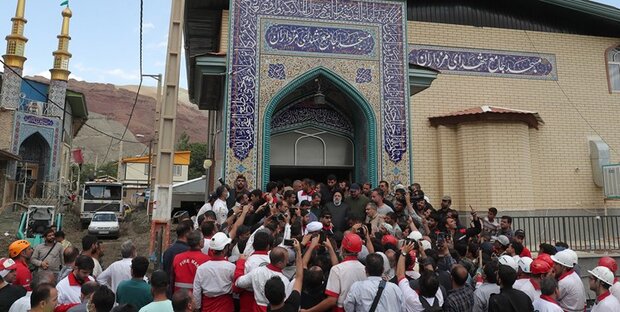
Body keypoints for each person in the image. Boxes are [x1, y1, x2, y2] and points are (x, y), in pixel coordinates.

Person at [304, 233, 367, 312]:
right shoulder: (365, 269)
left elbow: (331, 301)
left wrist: (309, 311)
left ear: (343, 249)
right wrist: (330, 248)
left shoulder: (337, 269)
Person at [193, 232, 235, 312]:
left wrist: (197, 307)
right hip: (226, 307)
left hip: (207, 307)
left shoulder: (201, 268)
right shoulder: (231, 267)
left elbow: (196, 291)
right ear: (225, 248)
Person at [397, 242, 445, 312]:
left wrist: (403, 253)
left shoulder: (413, 300)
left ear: (419, 286)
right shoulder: (439, 298)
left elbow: (400, 275)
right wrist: (423, 253)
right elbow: (431, 273)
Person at [265, 239, 303, 312]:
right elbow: (299, 278)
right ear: (284, 294)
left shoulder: (268, 309)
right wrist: (298, 251)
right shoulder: (292, 305)